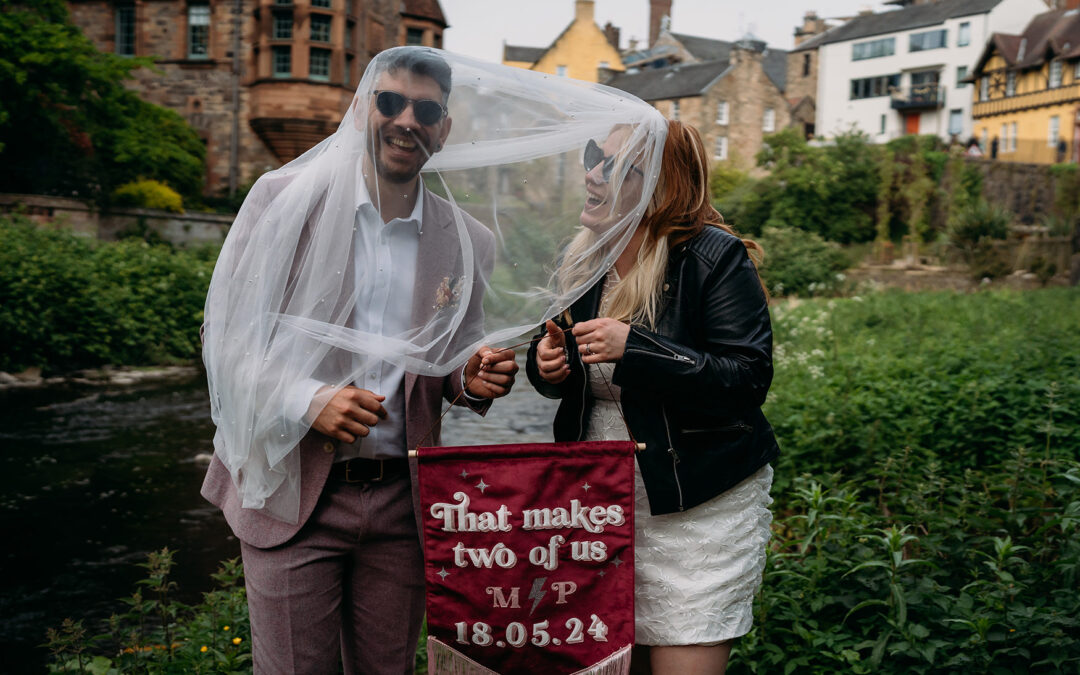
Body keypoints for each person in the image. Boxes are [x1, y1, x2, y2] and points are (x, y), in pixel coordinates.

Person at [200, 47, 518, 674]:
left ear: (444, 128)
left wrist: (472, 378)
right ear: (359, 109)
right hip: (292, 492)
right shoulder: (283, 201)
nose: (407, 120)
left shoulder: (470, 240)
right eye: (390, 102)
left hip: (404, 506)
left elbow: (456, 354)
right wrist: (305, 400)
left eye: (426, 109)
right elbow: (224, 338)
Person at [526, 121, 779, 675]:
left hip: (699, 504)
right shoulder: (586, 258)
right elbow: (573, 380)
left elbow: (746, 380)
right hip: (600, 506)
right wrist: (550, 367)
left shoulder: (713, 256)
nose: (592, 173)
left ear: (659, 187)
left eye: (615, 165)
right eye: (595, 157)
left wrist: (637, 348)